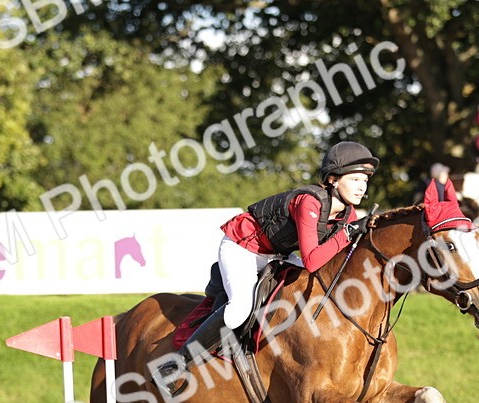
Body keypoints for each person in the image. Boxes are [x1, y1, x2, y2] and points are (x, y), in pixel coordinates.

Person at [159, 141, 376, 379]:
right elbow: (313, 260)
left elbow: (328, 260)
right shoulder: (310, 202)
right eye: (355, 179)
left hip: (276, 255)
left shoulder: (349, 214)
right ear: (333, 180)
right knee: (238, 311)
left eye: (365, 181)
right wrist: (346, 234)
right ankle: (176, 364)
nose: (361, 187)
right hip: (243, 248)